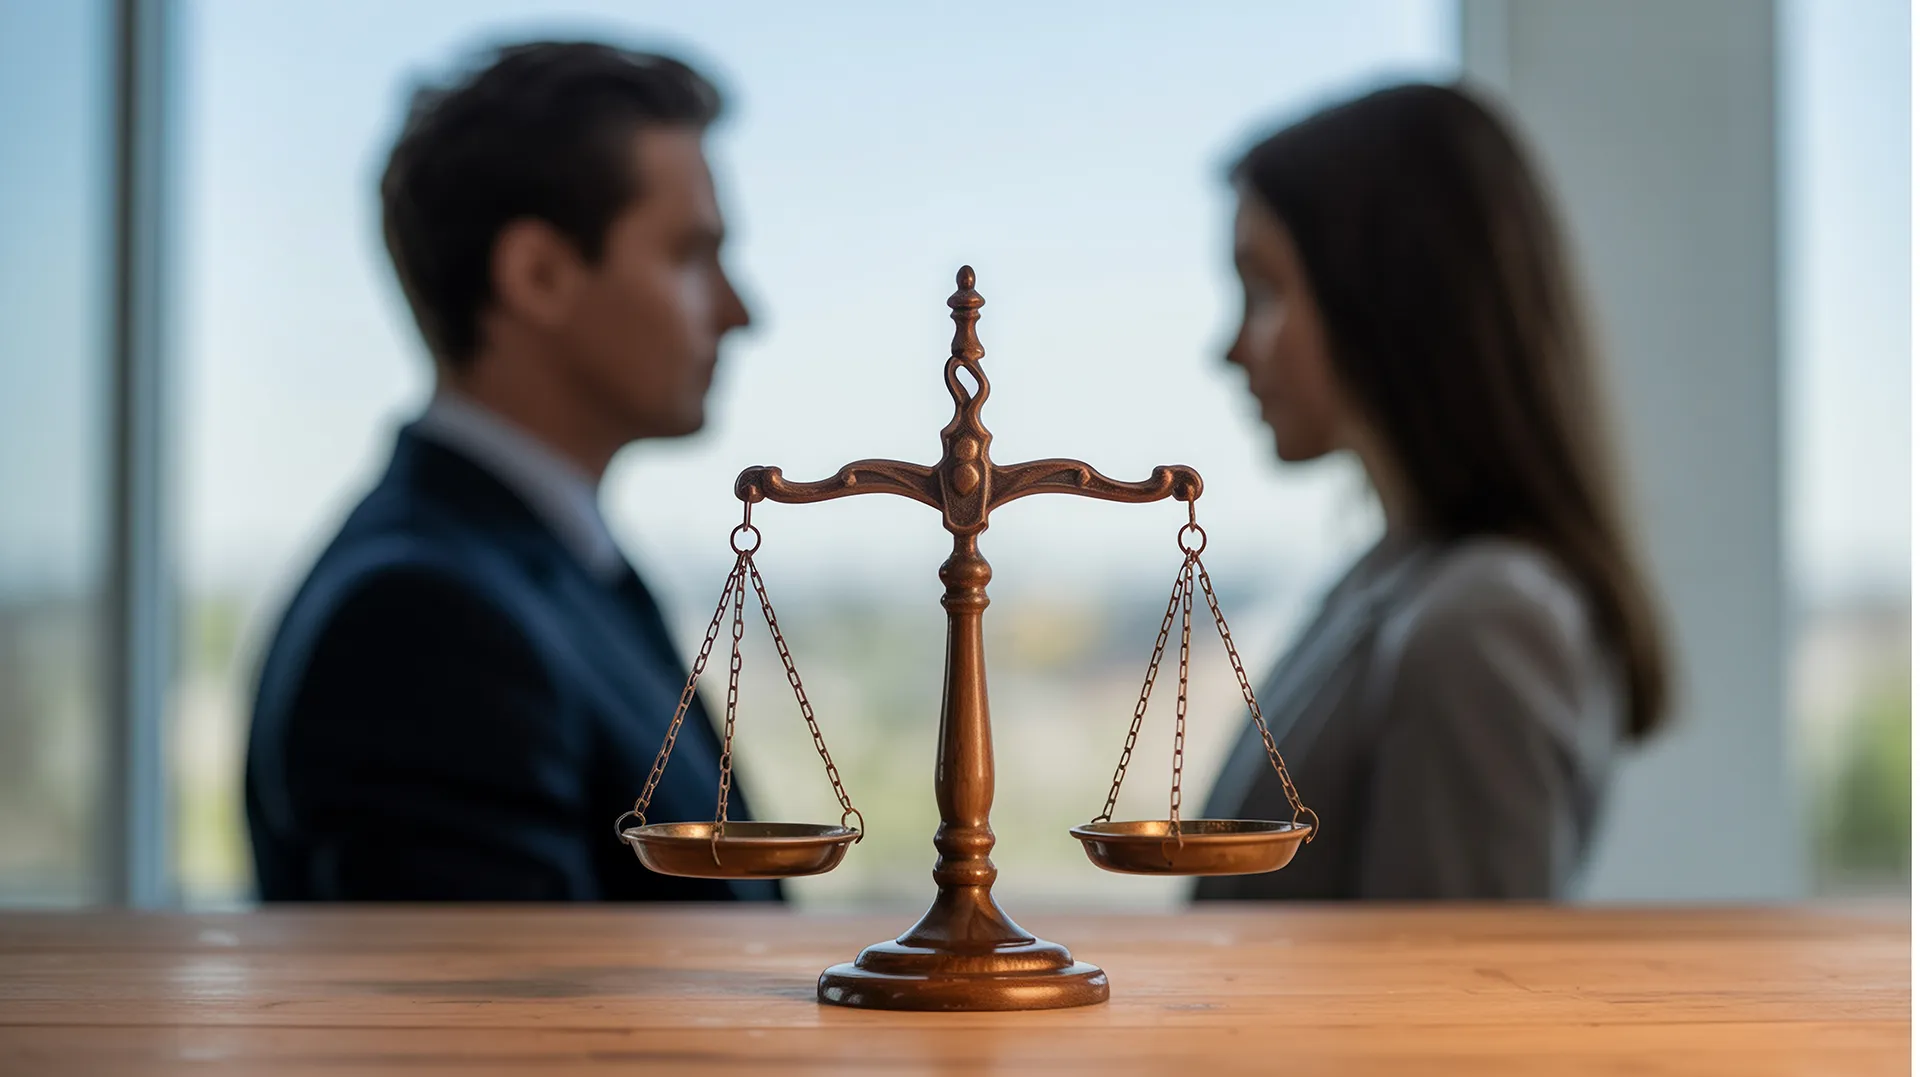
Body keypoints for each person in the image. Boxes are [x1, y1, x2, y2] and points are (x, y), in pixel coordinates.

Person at [245, 41, 774, 902]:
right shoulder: (421, 625)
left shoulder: (540, 571)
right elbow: (500, 1031)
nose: (740, 310)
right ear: (539, 275)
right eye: (688, 255)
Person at [1196, 83, 1670, 900]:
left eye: (1266, 289)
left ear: (1387, 293)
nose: (1230, 348)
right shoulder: (1391, 581)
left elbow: (1454, 1015)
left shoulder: (1483, 626)